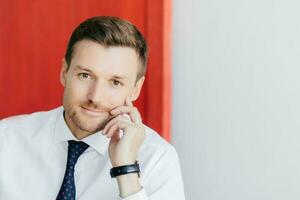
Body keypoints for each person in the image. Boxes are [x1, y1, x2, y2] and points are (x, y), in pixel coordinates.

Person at [0, 16, 185, 200]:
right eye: (85, 75)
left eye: (115, 82)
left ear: (136, 89)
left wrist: (126, 170)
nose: (95, 97)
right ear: (64, 72)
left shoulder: (157, 158)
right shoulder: (6, 139)